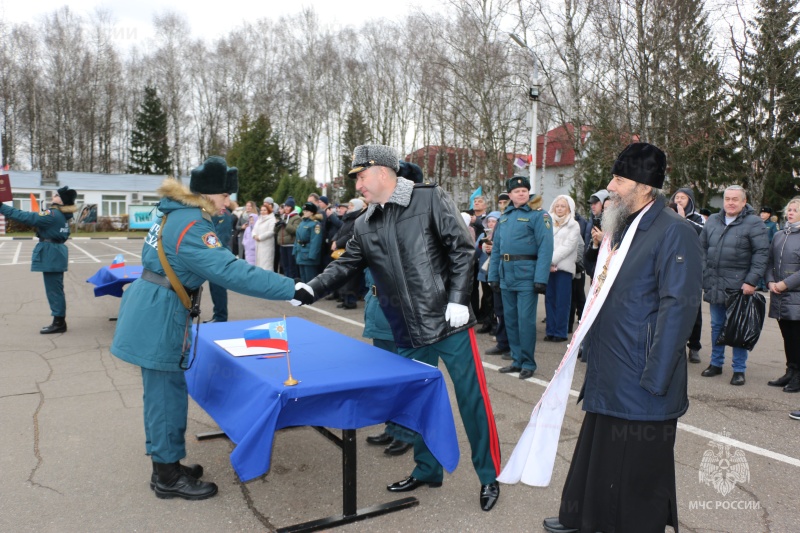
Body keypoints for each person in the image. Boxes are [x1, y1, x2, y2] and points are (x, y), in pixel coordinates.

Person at [292, 144, 502, 512]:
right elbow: (346, 265)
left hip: (449, 322)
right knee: (418, 404)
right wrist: (311, 288)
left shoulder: (428, 198)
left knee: (473, 401)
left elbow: (462, 248)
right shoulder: (365, 222)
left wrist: (457, 298)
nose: (357, 185)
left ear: (383, 172)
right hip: (407, 328)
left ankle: (489, 476)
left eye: (360, 176)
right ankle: (427, 468)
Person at [109, 156, 301, 501]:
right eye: (226, 196)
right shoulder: (194, 225)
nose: (228, 203)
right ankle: (166, 476)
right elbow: (233, 272)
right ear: (212, 194)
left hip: (155, 305)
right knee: (165, 398)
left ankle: (166, 464)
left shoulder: (174, 212)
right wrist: (291, 288)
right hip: (160, 314)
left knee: (163, 393)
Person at [541, 142, 702, 533]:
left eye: (619, 179)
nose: (610, 186)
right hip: (611, 364)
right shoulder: (623, 225)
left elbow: (677, 306)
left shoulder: (674, 231)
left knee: (634, 464)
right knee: (601, 450)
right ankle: (585, 516)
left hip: (642, 371)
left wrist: (657, 376)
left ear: (644, 186)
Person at [699, 185, 769, 385]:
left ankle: (739, 369)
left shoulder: (754, 223)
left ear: (744, 202)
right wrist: (704, 274)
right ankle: (716, 364)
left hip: (740, 287)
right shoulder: (712, 220)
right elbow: (701, 248)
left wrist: (751, 281)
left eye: (735, 199)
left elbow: (761, 253)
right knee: (716, 326)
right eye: (727, 198)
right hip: (715, 283)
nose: (730, 202)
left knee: (739, 327)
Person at [488, 176, 554, 380]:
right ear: (510, 195)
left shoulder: (538, 215)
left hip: (527, 275)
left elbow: (546, 247)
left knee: (525, 321)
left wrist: (541, 278)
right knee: (511, 320)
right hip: (506, 274)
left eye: (525, 190)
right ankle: (516, 360)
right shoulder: (504, 217)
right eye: (517, 191)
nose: (522, 193)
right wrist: (493, 276)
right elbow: (497, 248)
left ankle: (528, 362)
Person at [0, 185, 77, 333]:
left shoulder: (52, 214)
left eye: (56, 195)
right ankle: (59, 320)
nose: (53, 196)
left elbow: (26, 217)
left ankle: (59, 323)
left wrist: (1, 207)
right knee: (56, 288)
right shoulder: (63, 216)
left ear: (61, 200)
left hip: (51, 253)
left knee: (54, 290)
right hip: (57, 252)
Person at [362, 267, 414, 456]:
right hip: (378, 310)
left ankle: (407, 433)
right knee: (386, 381)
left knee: (402, 381)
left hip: (398, 315)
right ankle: (392, 428)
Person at [766, 197, 800, 393]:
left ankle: (798, 375)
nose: (791, 212)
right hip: (779, 296)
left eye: (795, 210)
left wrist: (785, 284)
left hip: (795, 295)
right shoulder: (779, 235)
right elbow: (770, 261)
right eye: (789, 209)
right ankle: (790, 370)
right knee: (787, 337)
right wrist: (770, 281)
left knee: (797, 338)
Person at [670, 187, 705, 363]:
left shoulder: (697, 219)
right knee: (673, 308)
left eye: (683, 198)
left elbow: (702, 234)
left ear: (690, 201)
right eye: (677, 197)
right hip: (673, 269)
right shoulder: (668, 216)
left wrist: (684, 220)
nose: (679, 201)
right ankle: (675, 346)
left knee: (694, 309)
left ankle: (694, 346)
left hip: (691, 269)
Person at [544, 195, 581, 343]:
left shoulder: (574, 225)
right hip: (548, 268)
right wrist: (547, 263)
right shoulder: (547, 222)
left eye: (563, 206)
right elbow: (543, 242)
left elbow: (568, 246)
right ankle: (550, 330)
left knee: (562, 301)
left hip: (563, 267)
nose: (559, 208)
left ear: (569, 208)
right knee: (550, 299)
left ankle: (560, 332)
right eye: (557, 205)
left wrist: (550, 261)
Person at [205, 167, 237, 323]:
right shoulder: (211, 213)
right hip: (211, 258)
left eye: (227, 197)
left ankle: (220, 317)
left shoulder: (224, 215)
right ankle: (217, 315)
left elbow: (221, 240)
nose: (227, 202)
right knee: (214, 289)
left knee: (218, 290)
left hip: (218, 258)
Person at [476, 212, 500, 334]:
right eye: (489, 221)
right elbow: (475, 252)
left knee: (496, 300)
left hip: (496, 272)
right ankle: (487, 323)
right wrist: (480, 246)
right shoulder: (482, 235)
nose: (491, 223)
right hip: (484, 272)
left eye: (494, 221)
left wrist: (493, 247)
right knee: (486, 299)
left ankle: (496, 324)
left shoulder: (500, 234)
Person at [293, 202, 323, 283]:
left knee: (310, 280)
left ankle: (312, 295)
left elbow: (316, 241)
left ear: (312, 212)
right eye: (304, 210)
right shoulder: (302, 222)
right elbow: (297, 238)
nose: (304, 212)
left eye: (307, 211)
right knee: (303, 279)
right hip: (300, 253)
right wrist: (295, 250)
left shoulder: (315, 224)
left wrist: (312, 256)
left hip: (308, 255)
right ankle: (304, 295)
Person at [275, 197, 300, 279]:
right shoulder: (283, 216)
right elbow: (275, 231)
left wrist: (286, 224)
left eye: (288, 206)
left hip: (291, 245)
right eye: (285, 206)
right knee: (285, 267)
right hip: (282, 245)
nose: (286, 208)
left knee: (291, 267)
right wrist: (277, 225)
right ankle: (286, 284)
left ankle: (293, 284)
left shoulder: (296, 217)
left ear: (292, 207)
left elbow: (295, 230)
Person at [252, 202, 276, 271]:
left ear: (268, 210)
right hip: (258, 245)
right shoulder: (259, 219)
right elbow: (254, 229)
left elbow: (271, 231)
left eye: (265, 210)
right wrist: (254, 235)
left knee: (266, 264)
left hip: (267, 245)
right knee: (259, 263)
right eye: (261, 210)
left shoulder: (272, 219)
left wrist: (260, 237)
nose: (263, 212)